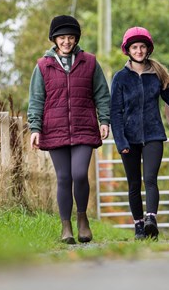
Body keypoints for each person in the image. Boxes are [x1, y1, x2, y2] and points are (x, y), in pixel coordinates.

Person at [27, 15, 110, 244]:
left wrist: (104, 120)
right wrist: (35, 127)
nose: (66, 41)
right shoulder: (43, 66)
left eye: (70, 37)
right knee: (64, 177)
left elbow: (102, 94)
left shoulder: (90, 62)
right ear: (54, 39)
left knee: (80, 174)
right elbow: (36, 99)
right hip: (54, 129)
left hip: (84, 127)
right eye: (62, 37)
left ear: (76, 39)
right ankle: (66, 227)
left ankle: (82, 219)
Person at [110, 26, 169, 240]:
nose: (139, 50)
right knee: (133, 184)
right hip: (128, 138)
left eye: (142, 47)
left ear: (148, 49)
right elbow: (115, 113)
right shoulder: (120, 78)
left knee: (150, 179)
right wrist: (120, 140)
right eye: (134, 47)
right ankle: (138, 226)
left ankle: (151, 220)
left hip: (153, 135)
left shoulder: (157, 74)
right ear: (128, 50)